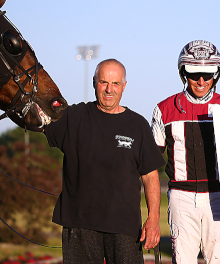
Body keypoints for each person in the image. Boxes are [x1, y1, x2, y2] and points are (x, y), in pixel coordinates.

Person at [44, 59, 164, 264]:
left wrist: (153, 219)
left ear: (124, 86)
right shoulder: (73, 117)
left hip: (125, 228)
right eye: (103, 82)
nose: (109, 90)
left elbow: (150, 176)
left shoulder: (137, 125)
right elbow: (37, 116)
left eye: (115, 83)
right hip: (80, 225)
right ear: (94, 83)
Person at [151, 40, 220, 264]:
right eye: (194, 73)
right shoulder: (163, 109)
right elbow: (150, 162)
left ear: (215, 75)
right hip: (181, 197)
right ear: (183, 73)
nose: (200, 81)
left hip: (219, 196)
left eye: (207, 75)